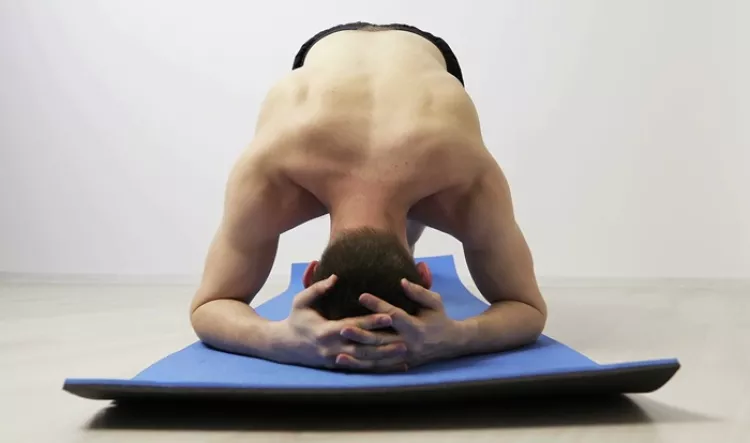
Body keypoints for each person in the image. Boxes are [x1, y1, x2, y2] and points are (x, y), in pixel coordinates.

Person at [189, 22, 547, 373]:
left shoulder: (271, 174)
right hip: (351, 66)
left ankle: (404, 233)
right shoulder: (464, 179)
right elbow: (525, 307)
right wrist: (458, 338)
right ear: (424, 276)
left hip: (397, 73)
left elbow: (212, 304)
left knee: (415, 199)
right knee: (417, 198)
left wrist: (278, 339)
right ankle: (404, 232)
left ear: (311, 275)